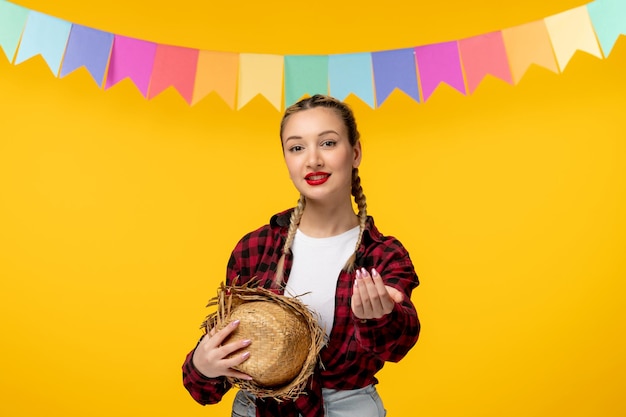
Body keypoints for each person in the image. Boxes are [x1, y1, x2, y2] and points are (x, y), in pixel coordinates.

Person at [182, 94, 420, 417]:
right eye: (297, 148)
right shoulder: (254, 249)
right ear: (286, 159)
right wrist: (203, 365)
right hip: (257, 410)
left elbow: (399, 343)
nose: (313, 161)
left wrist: (384, 317)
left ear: (356, 153)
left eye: (328, 143)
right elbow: (215, 372)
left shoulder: (382, 255)